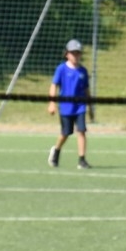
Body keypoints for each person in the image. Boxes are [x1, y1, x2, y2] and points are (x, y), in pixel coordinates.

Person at [48, 39, 92, 169]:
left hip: (80, 107)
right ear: (67, 54)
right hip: (66, 107)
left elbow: (86, 90)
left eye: (78, 53)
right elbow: (54, 86)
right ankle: (56, 150)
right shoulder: (61, 69)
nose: (75, 56)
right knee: (66, 133)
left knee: (81, 131)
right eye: (73, 53)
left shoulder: (83, 71)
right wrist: (52, 103)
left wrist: (90, 106)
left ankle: (82, 160)